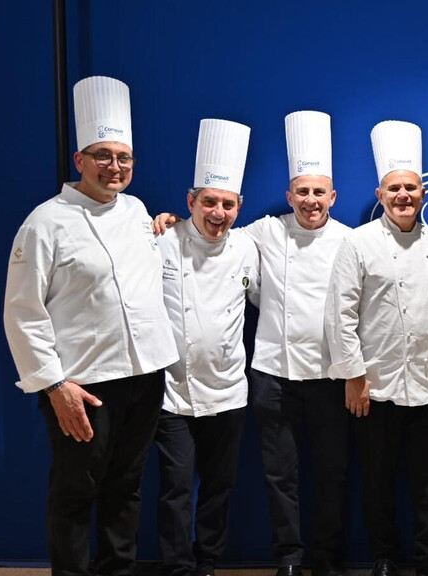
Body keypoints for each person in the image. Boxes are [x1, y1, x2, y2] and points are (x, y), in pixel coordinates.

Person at [153, 111, 353, 576]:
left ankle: (324, 558)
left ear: (332, 197)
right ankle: (289, 559)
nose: (310, 201)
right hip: (270, 376)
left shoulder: (351, 240)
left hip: (330, 376)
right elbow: (212, 244)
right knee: (278, 476)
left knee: (331, 474)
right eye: (301, 191)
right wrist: (164, 221)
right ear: (289, 195)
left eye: (318, 192)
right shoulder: (260, 233)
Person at [3, 75, 178, 576]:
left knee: (127, 487)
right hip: (84, 384)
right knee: (76, 492)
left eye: (124, 158)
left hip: (145, 375)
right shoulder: (45, 222)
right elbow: (21, 311)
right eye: (103, 156)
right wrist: (55, 385)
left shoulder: (138, 210)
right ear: (79, 160)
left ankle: (117, 570)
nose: (114, 166)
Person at [324, 120, 428, 576]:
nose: (403, 195)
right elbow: (339, 314)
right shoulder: (357, 242)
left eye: (410, 188)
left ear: (423, 193)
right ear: (380, 195)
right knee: (376, 480)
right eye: (394, 188)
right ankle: (383, 556)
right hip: (374, 387)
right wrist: (354, 376)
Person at [154, 118, 259, 576]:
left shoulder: (247, 247)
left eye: (227, 204)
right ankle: (178, 567)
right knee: (176, 488)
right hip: (172, 392)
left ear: (239, 207)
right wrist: (160, 221)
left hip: (229, 389)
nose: (218, 213)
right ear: (190, 202)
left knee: (219, 487)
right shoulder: (162, 240)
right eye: (209, 202)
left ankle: (209, 562)